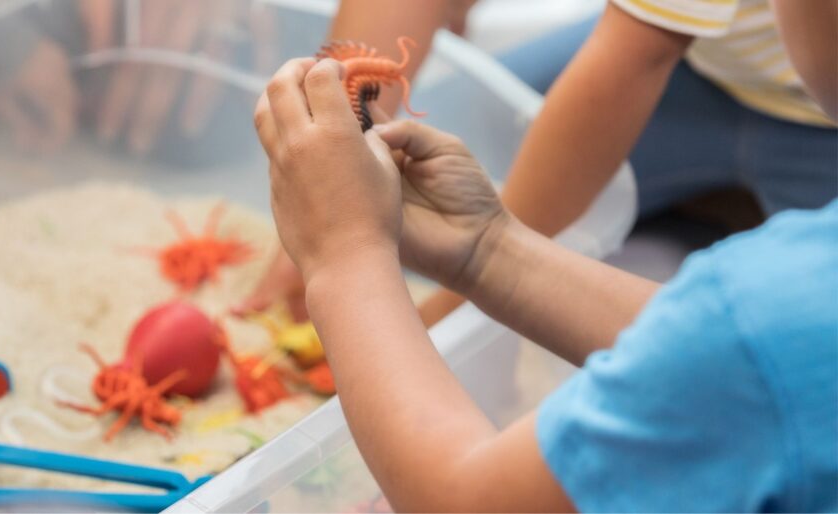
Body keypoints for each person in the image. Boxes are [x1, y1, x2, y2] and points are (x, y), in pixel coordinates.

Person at [250, 3, 838, 507]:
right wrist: (488, 249)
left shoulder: (762, 318)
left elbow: (465, 502)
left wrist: (344, 256)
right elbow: (730, 351)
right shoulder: (778, 303)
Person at [235, 0, 838, 324]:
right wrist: (327, 185)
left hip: (816, 99)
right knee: (459, 134)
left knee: (805, 327)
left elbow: (631, 60)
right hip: (701, 61)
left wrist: (462, 301)